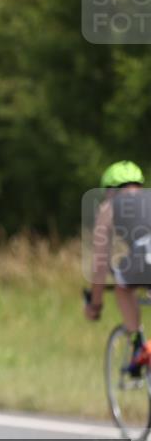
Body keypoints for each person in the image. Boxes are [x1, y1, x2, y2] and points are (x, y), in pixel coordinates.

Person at [85, 160, 151, 376]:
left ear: (110, 190)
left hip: (145, 256)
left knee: (123, 286)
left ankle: (138, 346)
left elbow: (100, 264)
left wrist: (95, 305)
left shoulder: (109, 207)